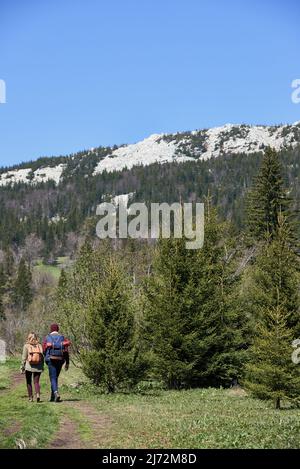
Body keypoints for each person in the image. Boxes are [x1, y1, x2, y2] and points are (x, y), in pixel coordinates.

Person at [43, 323, 70, 402]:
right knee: (55, 377)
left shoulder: (47, 337)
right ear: (58, 329)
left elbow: (44, 350)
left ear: (51, 329)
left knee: (52, 377)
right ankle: (53, 397)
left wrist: (45, 357)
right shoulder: (62, 337)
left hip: (50, 359)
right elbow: (65, 351)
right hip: (60, 359)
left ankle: (55, 392)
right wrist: (67, 362)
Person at [21, 332, 44, 402]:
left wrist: (22, 366)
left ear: (28, 338)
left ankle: (30, 398)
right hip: (38, 366)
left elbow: (24, 358)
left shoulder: (26, 346)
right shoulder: (39, 345)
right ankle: (38, 394)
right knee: (36, 382)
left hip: (29, 367)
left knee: (28, 382)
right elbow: (42, 357)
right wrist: (42, 366)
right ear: (36, 338)